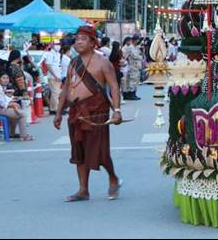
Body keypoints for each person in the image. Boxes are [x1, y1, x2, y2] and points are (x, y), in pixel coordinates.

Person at [53, 25, 122, 202]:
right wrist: (59, 112)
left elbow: (114, 86)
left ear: (93, 42)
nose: (78, 42)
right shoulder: (73, 63)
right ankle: (83, 190)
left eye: (83, 39)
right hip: (76, 111)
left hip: (96, 110)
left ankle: (113, 178)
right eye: (77, 39)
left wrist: (117, 111)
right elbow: (66, 88)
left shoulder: (103, 62)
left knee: (99, 151)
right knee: (79, 150)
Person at [0, 72, 34, 141]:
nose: (6, 80)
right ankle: (23, 136)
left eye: (7, 78)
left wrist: (13, 100)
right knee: (22, 114)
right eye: (3, 78)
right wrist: (13, 104)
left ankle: (12, 133)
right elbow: (3, 104)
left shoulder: (1, 87)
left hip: (1, 108)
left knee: (17, 109)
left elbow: (5, 99)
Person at [42, 40, 63, 115]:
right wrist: (55, 76)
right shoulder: (50, 54)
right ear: (53, 45)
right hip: (53, 77)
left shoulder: (58, 54)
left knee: (56, 93)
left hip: (58, 76)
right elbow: (49, 66)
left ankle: (52, 108)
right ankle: (56, 109)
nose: (58, 46)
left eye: (59, 44)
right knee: (55, 93)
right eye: (56, 44)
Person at [123, 35, 143, 100]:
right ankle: (131, 94)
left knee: (136, 80)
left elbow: (140, 54)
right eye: (138, 40)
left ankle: (134, 94)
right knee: (132, 80)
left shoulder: (136, 47)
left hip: (137, 66)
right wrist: (140, 57)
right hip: (132, 66)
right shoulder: (130, 47)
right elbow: (134, 56)